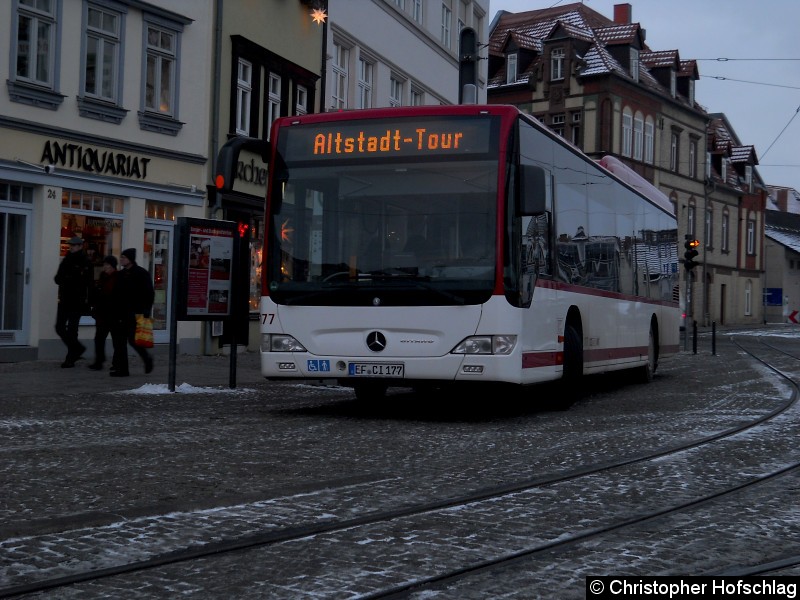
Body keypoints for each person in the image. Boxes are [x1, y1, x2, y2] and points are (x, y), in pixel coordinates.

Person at [110, 248, 154, 376]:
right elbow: (115, 294)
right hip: (120, 313)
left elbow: (149, 294)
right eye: (121, 257)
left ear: (130, 259)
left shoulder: (141, 273)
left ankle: (147, 359)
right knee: (119, 342)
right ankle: (123, 370)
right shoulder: (120, 274)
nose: (121, 259)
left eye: (124, 257)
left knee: (133, 340)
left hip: (135, 313)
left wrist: (145, 310)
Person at [54, 236, 94, 368]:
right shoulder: (66, 260)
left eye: (74, 245)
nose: (72, 247)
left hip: (77, 301)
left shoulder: (86, 262)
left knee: (72, 329)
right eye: (71, 245)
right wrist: (67, 278)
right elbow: (58, 279)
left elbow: (89, 283)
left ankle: (70, 358)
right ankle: (77, 348)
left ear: (80, 246)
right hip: (65, 298)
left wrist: (89, 302)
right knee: (59, 327)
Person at [87, 255, 118, 371]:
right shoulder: (103, 277)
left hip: (113, 314)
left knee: (116, 341)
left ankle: (116, 362)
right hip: (102, 314)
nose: (105, 267)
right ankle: (99, 361)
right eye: (104, 265)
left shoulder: (116, 278)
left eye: (107, 265)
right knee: (99, 339)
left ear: (112, 266)